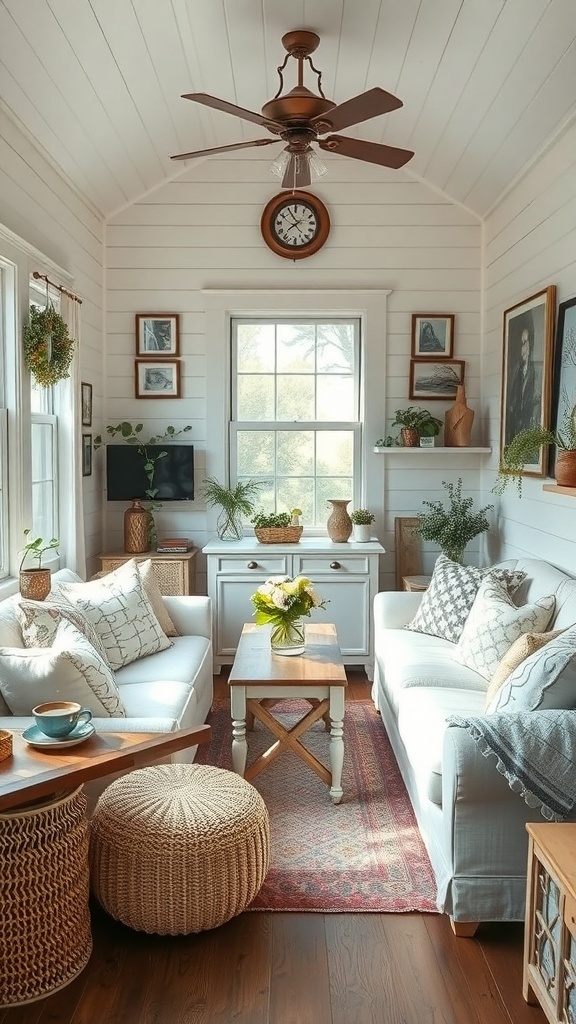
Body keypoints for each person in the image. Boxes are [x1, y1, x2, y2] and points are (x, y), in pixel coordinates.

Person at [506, 317, 539, 444]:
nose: (523, 348)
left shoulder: (535, 372)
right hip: (516, 432)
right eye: (521, 344)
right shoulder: (515, 372)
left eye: (525, 342)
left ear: (530, 344)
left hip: (529, 431)